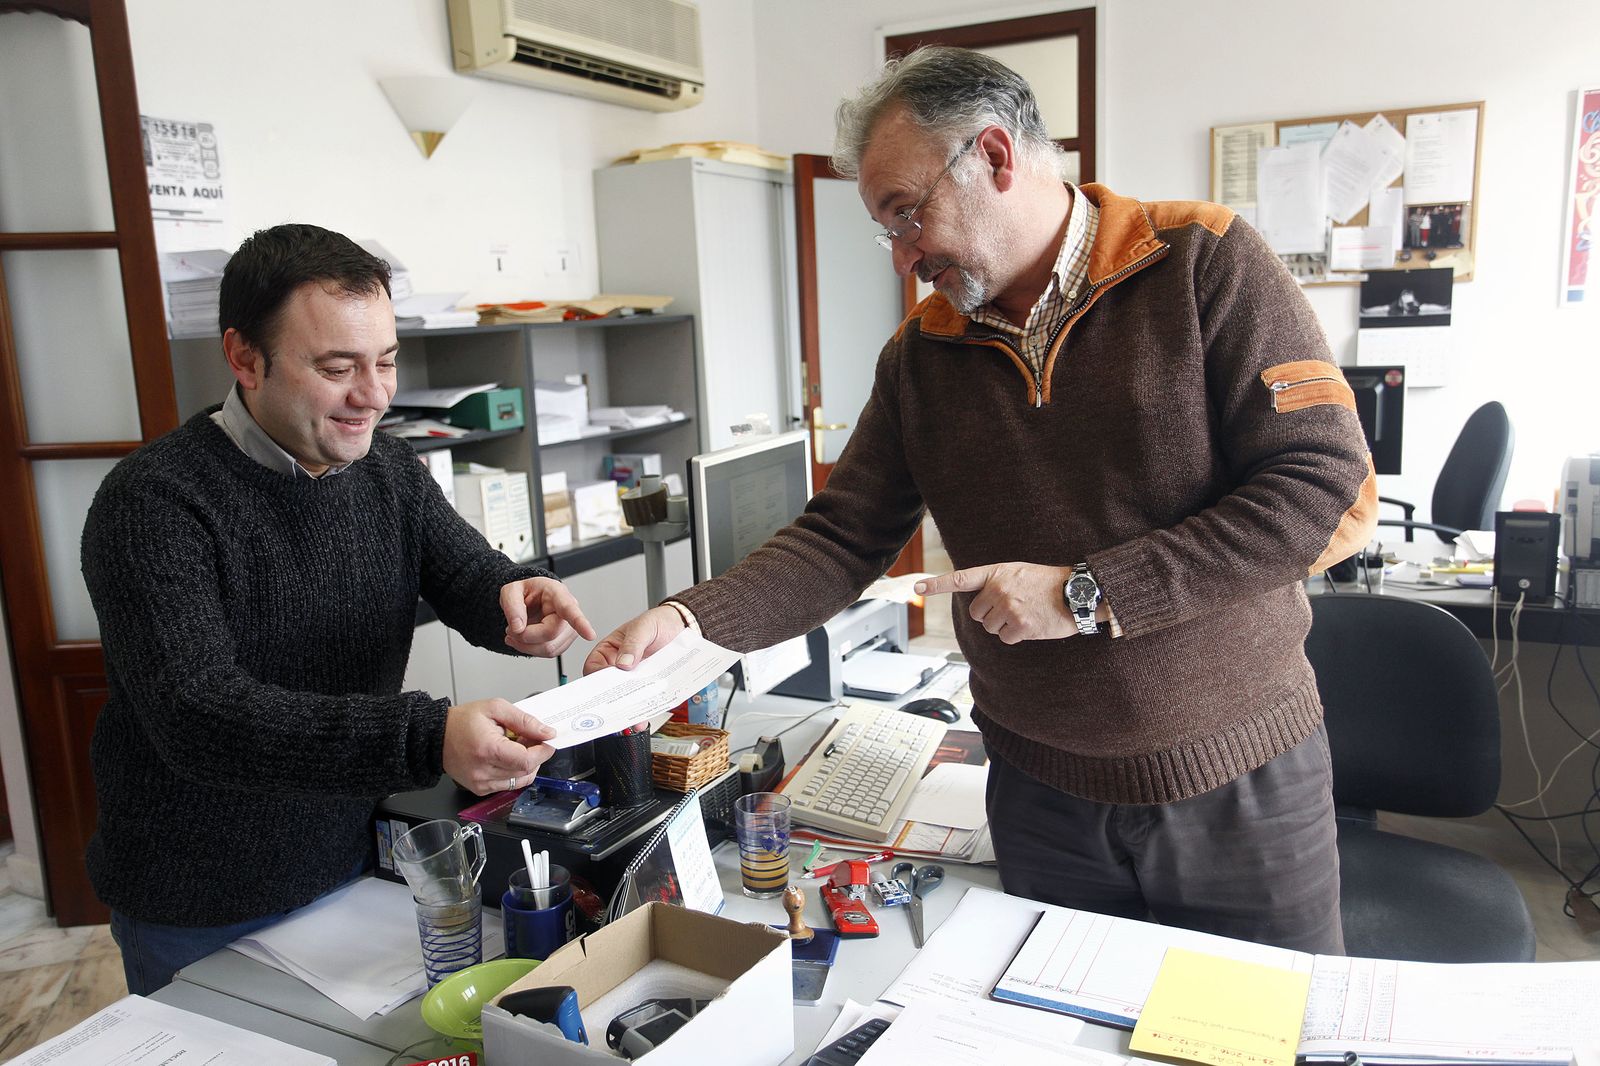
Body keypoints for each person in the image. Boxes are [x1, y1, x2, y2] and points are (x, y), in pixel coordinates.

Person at [585, 47, 1377, 953]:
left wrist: (1089, 592)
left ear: (996, 157)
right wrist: (693, 621)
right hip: (1041, 793)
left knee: (1257, 1038)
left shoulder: (1201, 262)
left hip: (1239, 783)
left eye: (906, 213)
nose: (901, 256)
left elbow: (1321, 482)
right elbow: (843, 536)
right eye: (883, 228)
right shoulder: (921, 356)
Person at [80, 223, 595, 994]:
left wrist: (513, 597)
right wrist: (430, 736)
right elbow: (198, 715)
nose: (374, 394)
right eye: (337, 367)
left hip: (353, 857)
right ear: (244, 359)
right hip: (199, 898)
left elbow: (464, 571)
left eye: (385, 361)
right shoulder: (154, 503)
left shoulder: (387, 464)